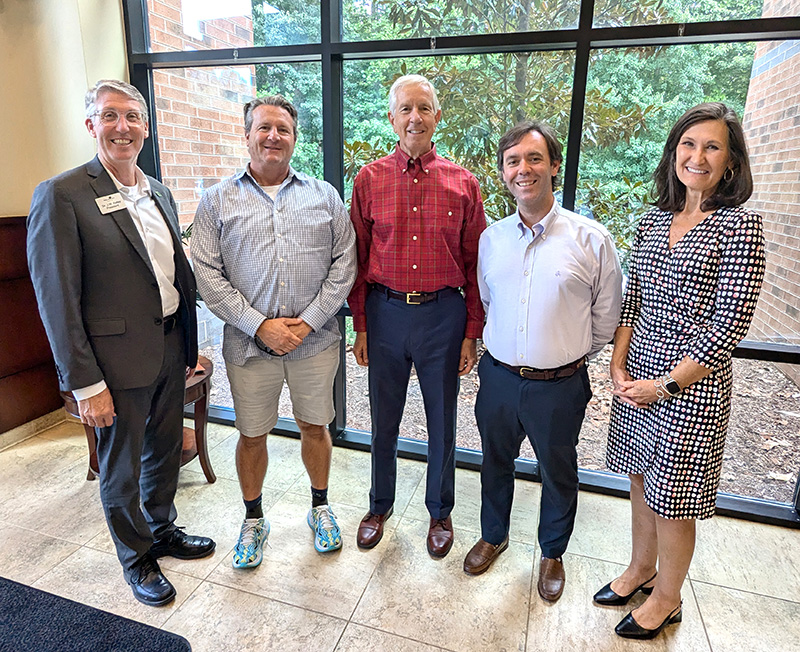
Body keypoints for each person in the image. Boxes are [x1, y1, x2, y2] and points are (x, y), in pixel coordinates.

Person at [27, 80, 215, 607]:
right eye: (110, 116)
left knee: (161, 451)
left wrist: (187, 344)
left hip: (168, 349)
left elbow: (170, 273)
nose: (122, 127)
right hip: (112, 365)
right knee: (121, 464)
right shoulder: (62, 195)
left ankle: (162, 529)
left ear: (146, 127)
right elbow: (56, 299)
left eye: (133, 117)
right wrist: (85, 383)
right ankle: (137, 559)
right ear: (91, 125)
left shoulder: (158, 190)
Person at [596, 103, 765, 639]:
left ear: (731, 163)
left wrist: (664, 383)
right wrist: (619, 363)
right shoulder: (651, 221)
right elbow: (633, 302)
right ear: (673, 155)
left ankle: (668, 598)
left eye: (712, 147)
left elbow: (726, 327)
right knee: (641, 481)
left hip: (692, 385)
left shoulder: (740, 226)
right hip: (638, 373)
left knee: (675, 500)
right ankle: (641, 568)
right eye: (688, 145)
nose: (697, 156)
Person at [191, 95, 356, 567]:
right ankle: (253, 519)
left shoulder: (324, 196)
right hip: (248, 347)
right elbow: (205, 272)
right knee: (252, 433)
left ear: (294, 138)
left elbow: (345, 265)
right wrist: (259, 325)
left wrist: (306, 323)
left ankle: (320, 508)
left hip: (315, 342)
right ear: (247, 136)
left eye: (282, 129)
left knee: (314, 425)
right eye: (263, 128)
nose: (273, 137)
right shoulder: (217, 199)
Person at [463, 121, 623, 604]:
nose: (523, 169)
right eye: (513, 161)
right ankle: (494, 535)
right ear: (503, 173)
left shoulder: (591, 240)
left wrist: (563, 355)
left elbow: (606, 316)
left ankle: (552, 551)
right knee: (495, 462)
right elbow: (488, 300)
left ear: (554, 166)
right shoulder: (491, 239)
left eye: (534, 159)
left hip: (560, 384)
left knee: (558, 470)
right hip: (498, 378)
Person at [348, 74, 486, 558]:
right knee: (383, 418)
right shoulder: (368, 180)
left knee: (442, 420)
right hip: (384, 314)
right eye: (405, 109)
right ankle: (378, 504)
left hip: (442, 318)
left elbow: (474, 266)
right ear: (391, 117)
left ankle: (440, 511)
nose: (415, 118)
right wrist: (360, 324)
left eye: (423, 108)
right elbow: (358, 260)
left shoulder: (464, 183)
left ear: (437, 117)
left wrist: (471, 332)